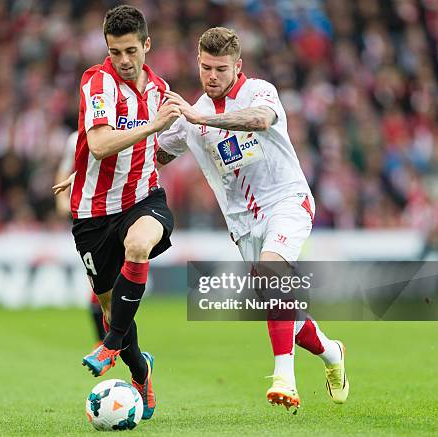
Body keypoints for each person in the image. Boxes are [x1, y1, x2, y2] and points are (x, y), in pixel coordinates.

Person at [155, 27, 349, 411]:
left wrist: (200, 119)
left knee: (272, 270)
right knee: (285, 313)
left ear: (237, 66)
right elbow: (157, 156)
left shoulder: (260, 91)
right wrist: (95, 165)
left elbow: (261, 120)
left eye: (221, 69)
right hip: (243, 225)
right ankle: (332, 353)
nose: (212, 76)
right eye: (206, 67)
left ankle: (284, 379)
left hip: (287, 201)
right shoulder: (192, 114)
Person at [60, 5, 181, 420]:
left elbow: (166, 145)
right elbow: (99, 145)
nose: (125, 61)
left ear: (147, 44)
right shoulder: (97, 82)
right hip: (92, 213)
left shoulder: (161, 90)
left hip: (144, 200)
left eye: (131, 50)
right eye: (116, 52)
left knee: (139, 243)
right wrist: (79, 169)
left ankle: (109, 345)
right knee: (112, 307)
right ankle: (141, 372)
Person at [55, 131, 106, 344]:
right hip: (88, 214)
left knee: (112, 277)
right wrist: (62, 202)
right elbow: (65, 170)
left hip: (119, 210)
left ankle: (108, 341)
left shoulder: (123, 127)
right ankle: (104, 341)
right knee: (99, 279)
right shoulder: (75, 139)